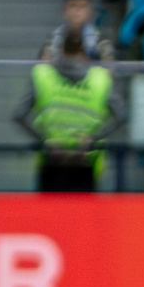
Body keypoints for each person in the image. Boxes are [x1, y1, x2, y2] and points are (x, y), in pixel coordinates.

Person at [19, 22, 119, 192]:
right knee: (82, 209)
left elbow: (19, 115)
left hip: (53, 158)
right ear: (85, 52)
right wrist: (93, 140)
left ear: (60, 51)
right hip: (84, 158)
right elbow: (121, 116)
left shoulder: (43, 75)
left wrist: (44, 141)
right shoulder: (101, 78)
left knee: (51, 209)